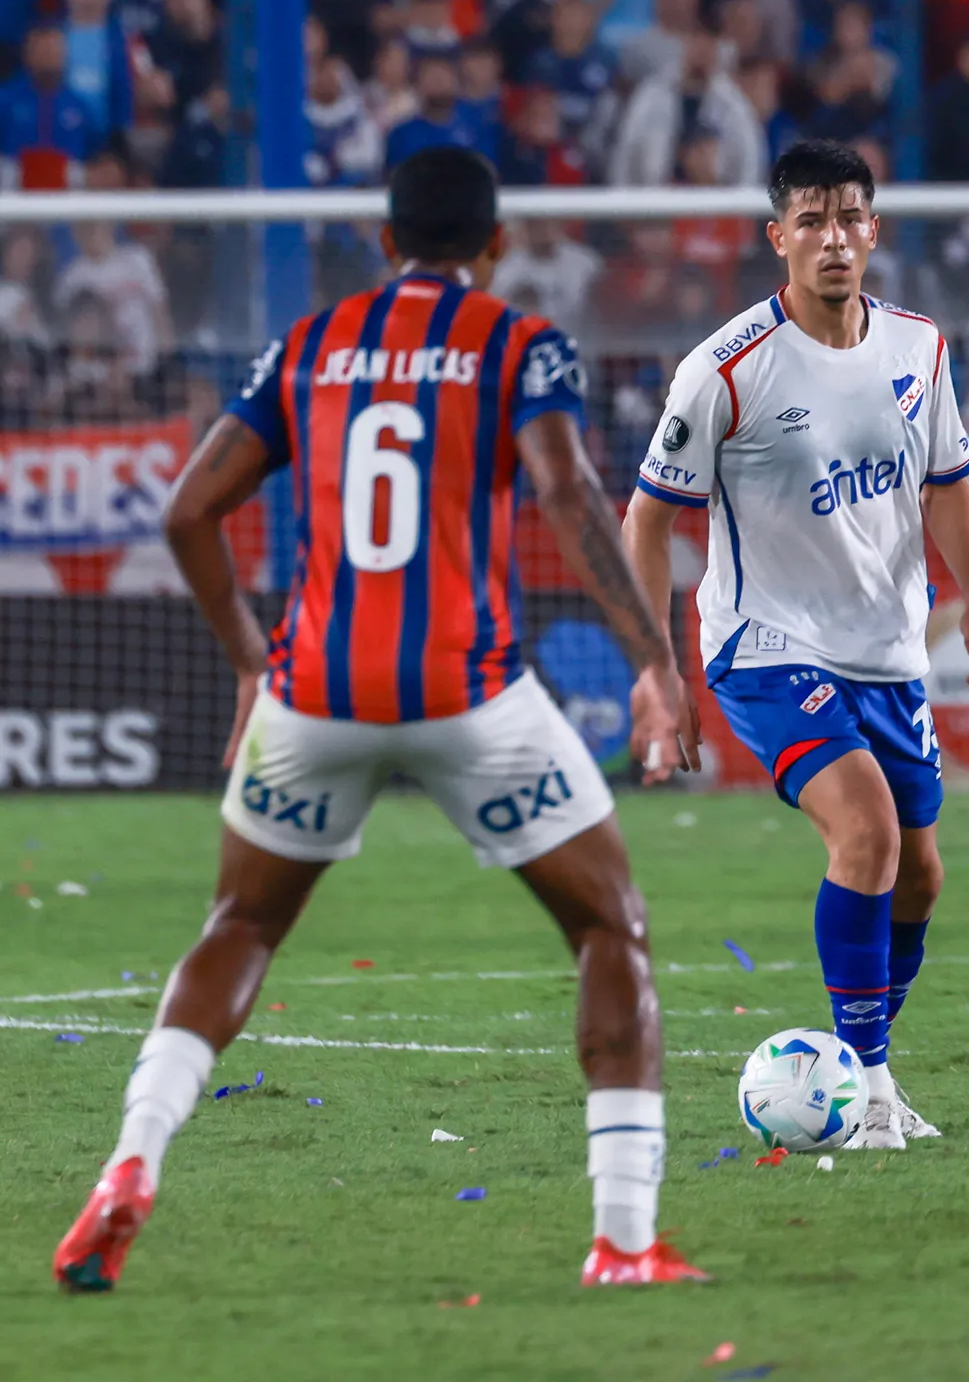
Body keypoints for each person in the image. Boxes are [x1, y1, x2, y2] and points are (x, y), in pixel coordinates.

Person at [54, 148, 709, 1294]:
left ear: (383, 239)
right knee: (610, 926)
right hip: (471, 696)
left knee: (239, 927)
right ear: (494, 246)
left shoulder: (309, 345)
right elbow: (565, 494)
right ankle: (622, 1238)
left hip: (312, 695)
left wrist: (251, 662)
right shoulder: (519, 343)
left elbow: (188, 511)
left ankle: (131, 1160)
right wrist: (652, 662)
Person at [621, 139, 969, 1149]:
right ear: (778, 237)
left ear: (873, 230)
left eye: (849, 218)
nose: (833, 238)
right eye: (811, 221)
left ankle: (865, 1066)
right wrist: (660, 667)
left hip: (887, 647)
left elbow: (948, 480)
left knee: (919, 875)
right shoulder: (724, 369)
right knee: (867, 831)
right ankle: (867, 1089)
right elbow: (646, 521)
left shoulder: (919, 347)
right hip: (765, 643)